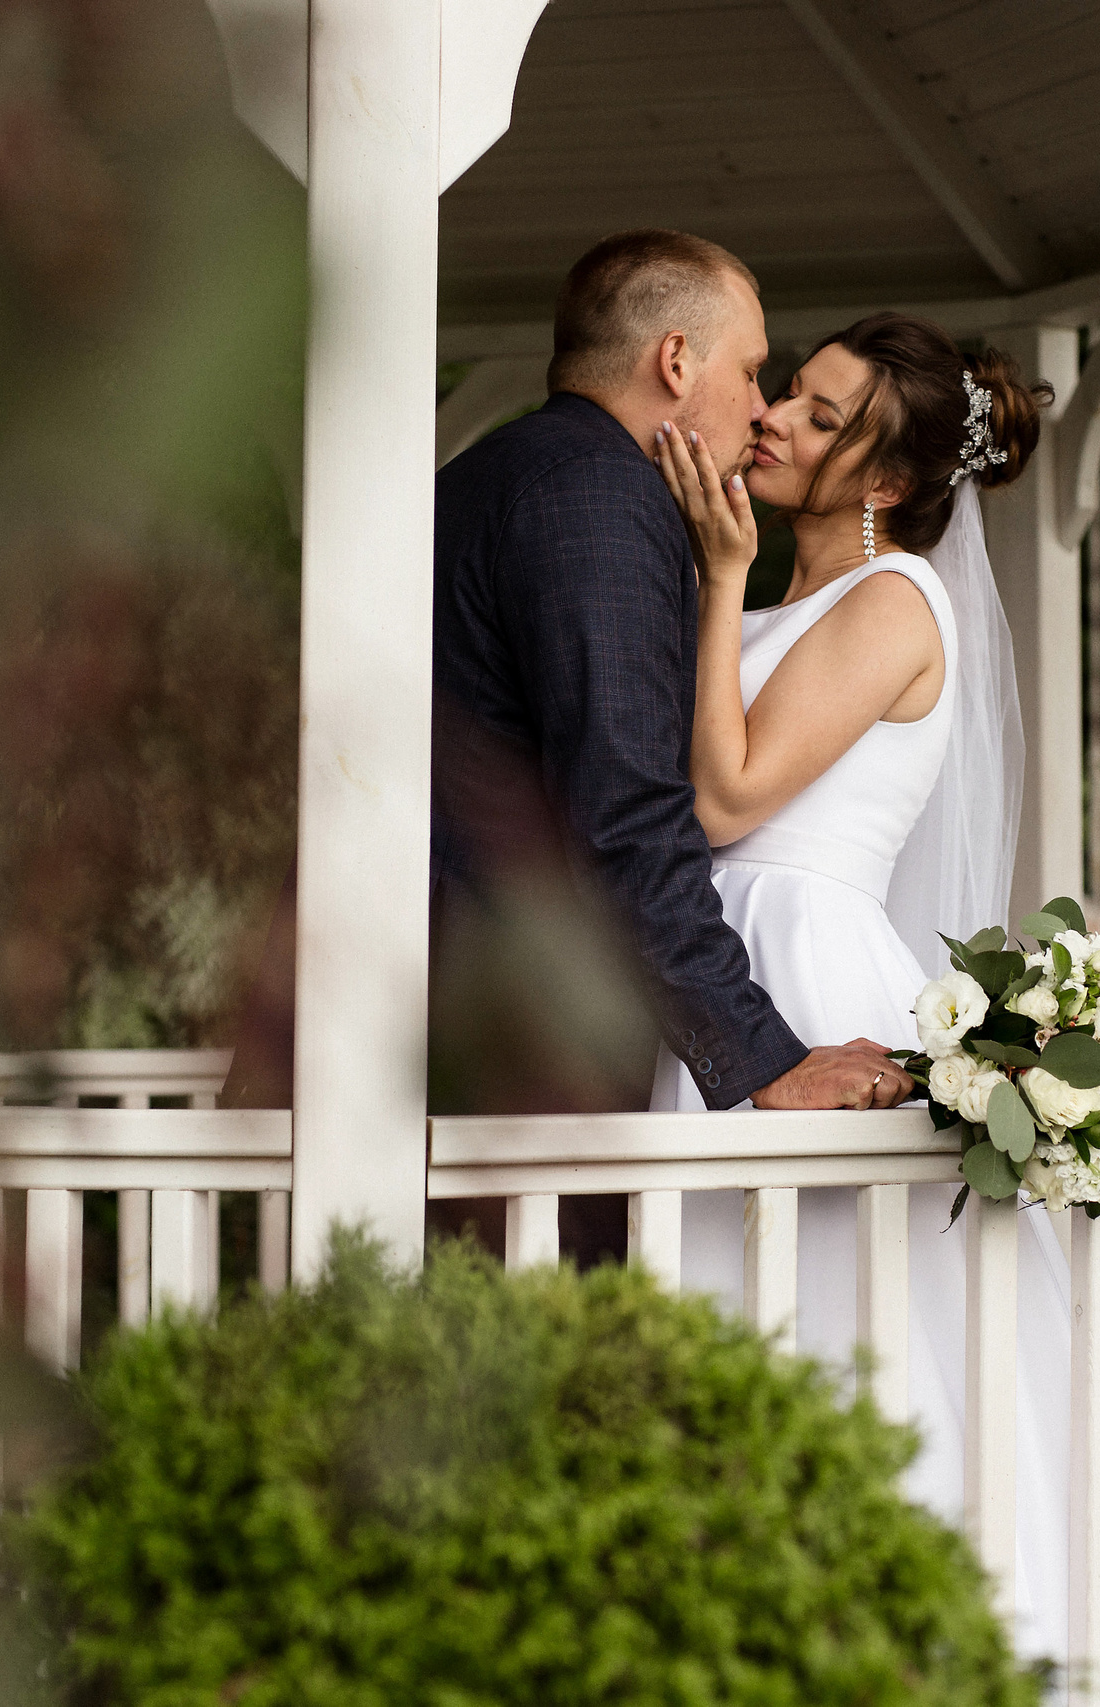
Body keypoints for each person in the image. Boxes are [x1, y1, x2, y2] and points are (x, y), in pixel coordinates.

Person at [652, 311, 1100, 1706]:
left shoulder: (896, 603)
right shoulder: (791, 597)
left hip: (803, 968)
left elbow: (728, 795)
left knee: (859, 1339)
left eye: (820, 412)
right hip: (719, 965)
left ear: (886, 479)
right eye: (788, 390)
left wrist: (719, 572)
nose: (774, 416)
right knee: (738, 1339)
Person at [428, 230, 913, 1258]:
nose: (758, 409)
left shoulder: (490, 472)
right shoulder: (597, 502)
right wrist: (763, 1058)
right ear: (677, 360)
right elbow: (625, 812)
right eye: (749, 372)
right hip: (509, 1043)